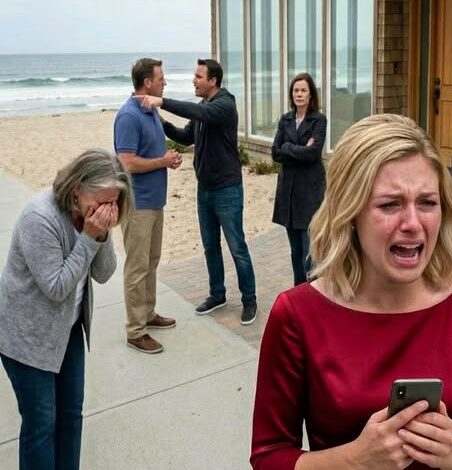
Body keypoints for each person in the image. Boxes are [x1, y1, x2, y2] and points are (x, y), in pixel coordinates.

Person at [251, 114, 452, 469]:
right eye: (390, 204)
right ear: (350, 214)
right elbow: (268, 455)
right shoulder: (297, 315)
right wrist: (355, 460)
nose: (413, 223)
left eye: (427, 202)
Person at [0, 149, 132, 470]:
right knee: (41, 422)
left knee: (71, 414)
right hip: (25, 336)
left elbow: (103, 273)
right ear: (77, 189)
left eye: (113, 202)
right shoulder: (39, 218)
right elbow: (57, 288)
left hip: (67, 328)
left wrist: (102, 233)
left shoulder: (93, 216)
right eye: (101, 201)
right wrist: (89, 237)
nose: (107, 210)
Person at [135, 58, 258, 326]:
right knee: (210, 246)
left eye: (199, 76)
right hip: (205, 190)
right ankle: (217, 295)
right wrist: (160, 121)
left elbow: (200, 113)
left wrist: (162, 102)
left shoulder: (224, 105)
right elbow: (185, 136)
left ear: (213, 81)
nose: (194, 80)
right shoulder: (203, 107)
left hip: (227, 190)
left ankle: (249, 300)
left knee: (237, 247)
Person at [114, 57, 183, 354]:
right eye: (160, 78)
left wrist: (169, 159)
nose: (164, 82)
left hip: (155, 201)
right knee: (137, 267)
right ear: (147, 82)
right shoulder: (128, 116)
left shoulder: (150, 109)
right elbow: (126, 162)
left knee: (151, 262)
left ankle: (148, 313)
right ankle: (135, 330)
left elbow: (152, 152)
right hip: (138, 204)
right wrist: (162, 161)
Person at [272, 72, 327, 285]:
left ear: (311, 95)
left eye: (303, 90)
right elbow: (275, 153)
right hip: (288, 191)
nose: (299, 94)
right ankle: (298, 290)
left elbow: (313, 154)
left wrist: (287, 147)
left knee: (309, 251)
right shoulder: (285, 120)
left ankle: (313, 290)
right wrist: (298, 149)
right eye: (296, 90)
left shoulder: (319, 120)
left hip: (309, 191)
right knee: (295, 250)